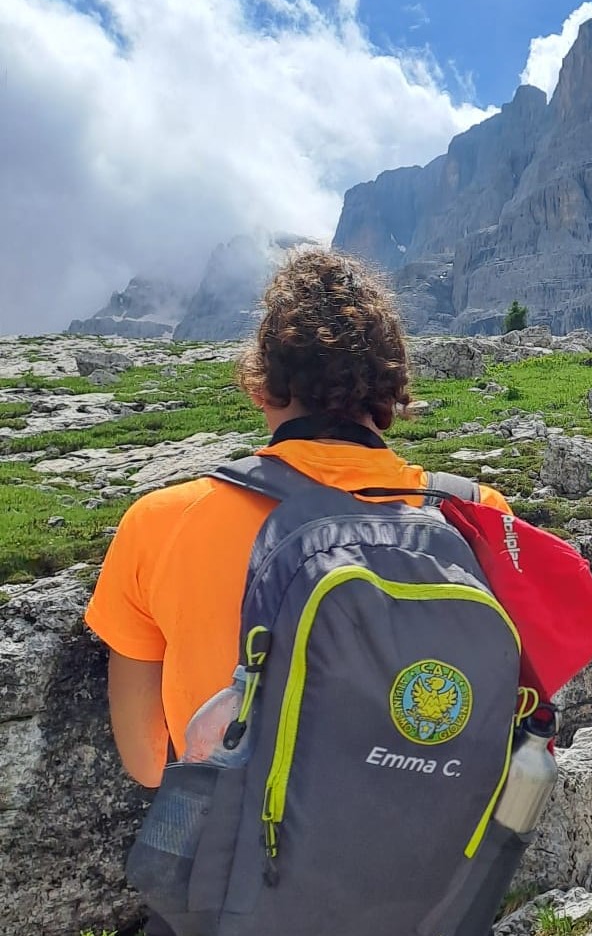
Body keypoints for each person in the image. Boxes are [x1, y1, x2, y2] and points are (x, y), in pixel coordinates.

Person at [84, 251, 514, 934]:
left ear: (261, 386)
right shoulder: (479, 518)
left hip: (237, 903)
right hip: (422, 897)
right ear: (394, 393)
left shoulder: (162, 522)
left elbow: (145, 760)